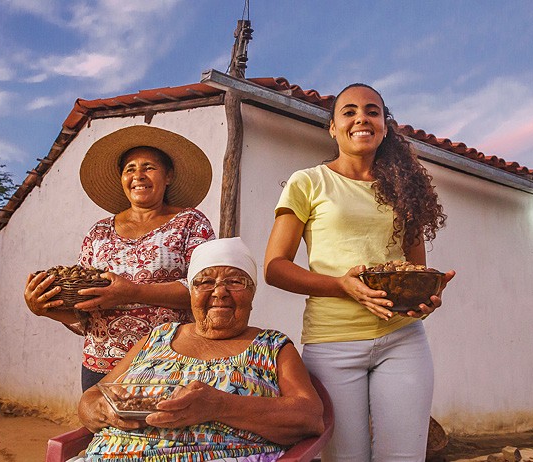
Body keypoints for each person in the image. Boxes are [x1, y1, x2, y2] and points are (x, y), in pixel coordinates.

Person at [264, 83, 456, 462]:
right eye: (348, 112)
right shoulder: (309, 182)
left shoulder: (405, 190)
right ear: (333, 128)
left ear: (385, 125)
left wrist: (427, 297)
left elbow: (415, 269)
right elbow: (275, 268)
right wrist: (340, 285)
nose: (361, 118)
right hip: (332, 343)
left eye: (372, 111)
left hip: (403, 340)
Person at [76, 237, 325, 462]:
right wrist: (103, 411)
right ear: (192, 293)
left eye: (235, 282)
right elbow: (91, 399)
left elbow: (309, 417)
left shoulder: (272, 347)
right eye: (204, 282)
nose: (219, 292)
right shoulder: (157, 338)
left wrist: (220, 406)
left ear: (252, 293)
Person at [24, 126, 216, 391]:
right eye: (130, 169)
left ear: (168, 176)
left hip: (168, 359)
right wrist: (46, 309)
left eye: (149, 167)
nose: (138, 175)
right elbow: (84, 314)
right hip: (102, 364)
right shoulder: (98, 232)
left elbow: (206, 290)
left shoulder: (190, 222)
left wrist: (131, 293)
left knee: (163, 431)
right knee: (102, 432)